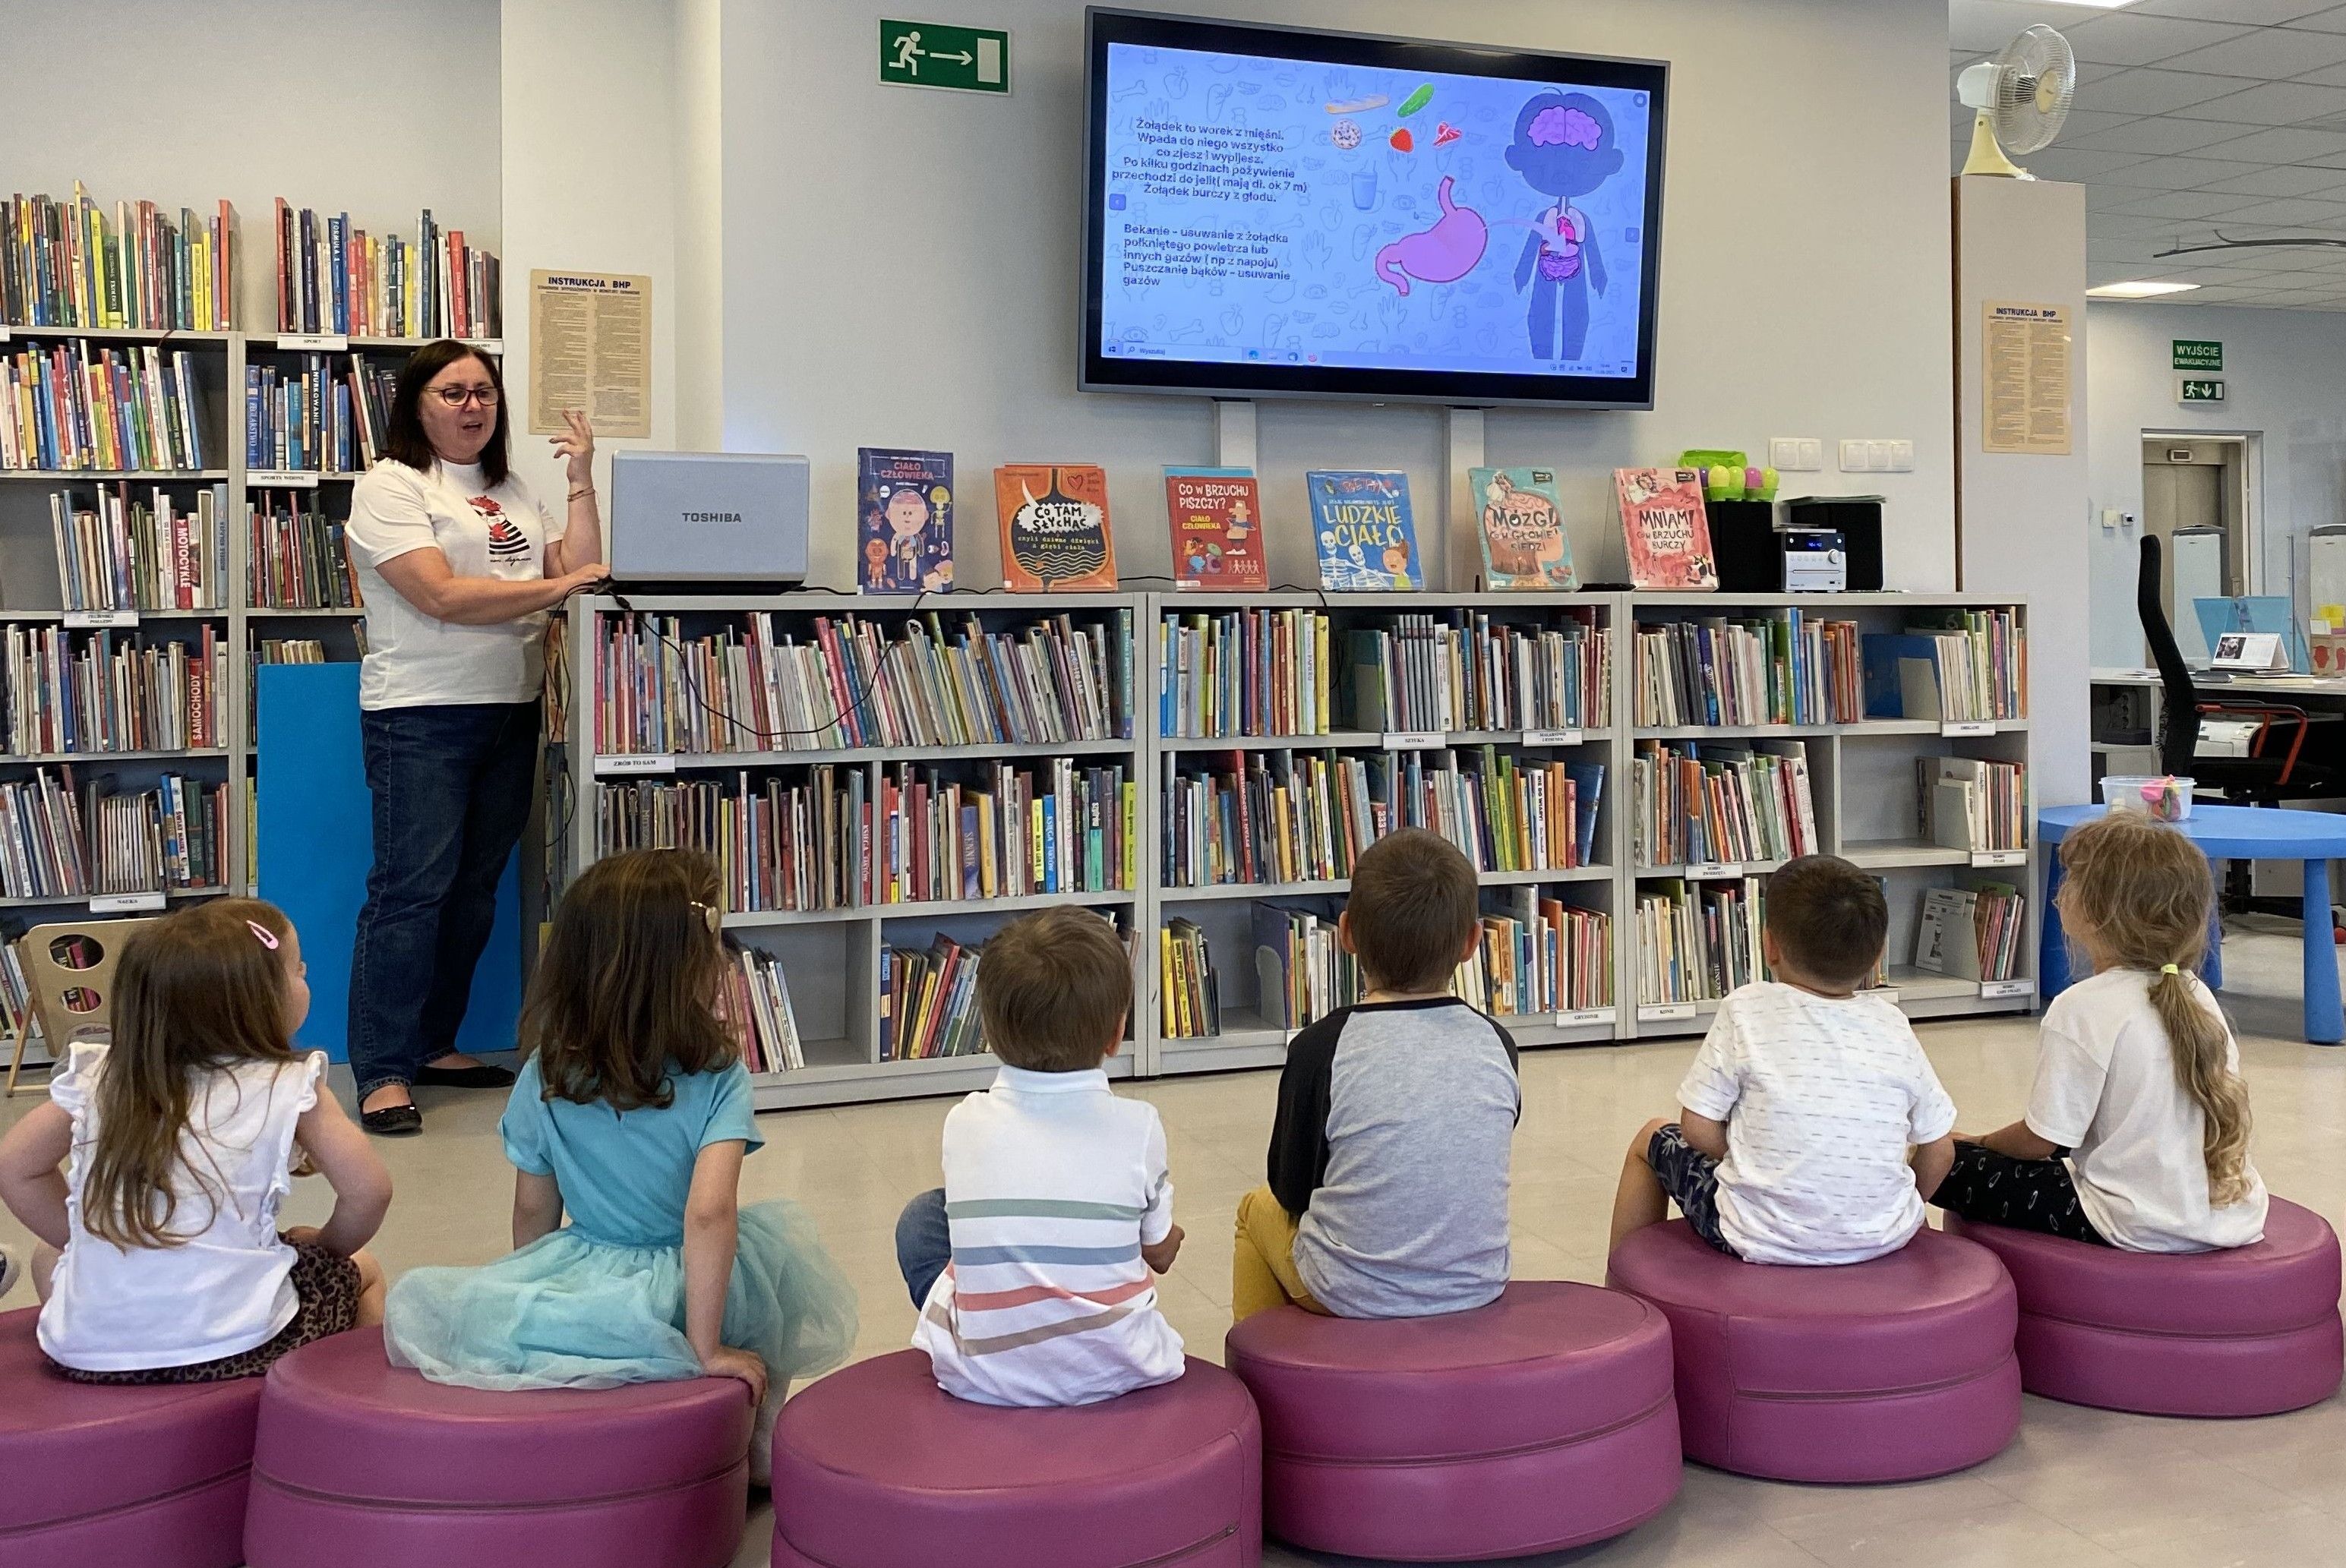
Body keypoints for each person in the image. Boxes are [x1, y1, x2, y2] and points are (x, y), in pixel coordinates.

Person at [383, 850, 855, 1480]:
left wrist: (530, 1288)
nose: (722, 962)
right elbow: (709, 1215)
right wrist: (705, 1346)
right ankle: (756, 1445)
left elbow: (533, 1208)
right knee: (776, 1289)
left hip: (594, 1277)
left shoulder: (546, 1071)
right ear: (682, 969)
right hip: (693, 1282)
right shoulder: (718, 1077)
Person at [343, 340, 610, 1136]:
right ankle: (383, 1069)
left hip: (510, 707)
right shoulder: (391, 485)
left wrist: (580, 480)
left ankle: (434, 1043)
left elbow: (583, 569)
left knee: (473, 892)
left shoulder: (510, 488)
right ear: (417, 404)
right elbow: (441, 595)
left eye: (484, 392)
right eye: (453, 392)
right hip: (420, 713)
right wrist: (558, 584)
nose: (472, 406)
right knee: (410, 892)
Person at [0, 901, 391, 1382]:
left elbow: (15, 1166)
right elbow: (370, 1192)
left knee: (50, 1256)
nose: (306, 974)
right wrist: (329, 1244)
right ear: (258, 1003)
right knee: (365, 1270)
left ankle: (96, 1356)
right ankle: (347, 1401)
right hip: (244, 1344)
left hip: (91, 1361)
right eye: (297, 968)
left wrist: (92, 1241)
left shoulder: (103, 1079)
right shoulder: (289, 1085)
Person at [1932, 815, 2266, 1251]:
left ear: (2097, 911)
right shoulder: (2195, 993)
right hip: (2230, 1217)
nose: (2062, 890)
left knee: (1943, 1160)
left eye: (2072, 879)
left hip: (2133, 1221)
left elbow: (2042, 1141)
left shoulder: (2081, 1006)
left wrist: (1978, 1141)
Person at [896, 907, 1186, 1407]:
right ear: (1116, 1034)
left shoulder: (963, 1120)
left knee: (922, 1220)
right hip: (1120, 1369)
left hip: (985, 1381)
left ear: (990, 1032)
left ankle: (1001, 1339)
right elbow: (1158, 1253)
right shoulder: (1140, 1125)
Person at [1607, 855, 1958, 1264]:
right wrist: (1899, 1208)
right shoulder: (1893, 1023)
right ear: (1879, 954)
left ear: (1769, 945)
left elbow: (1696, 1124)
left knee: (1650, 1138)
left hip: (1755, 1234)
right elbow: (1941, 1150)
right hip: (1884, 1237)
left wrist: (1749, 1157)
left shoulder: (1746, 1008)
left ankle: (1619, 1287)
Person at [1233, 828, 1518, 1322]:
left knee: (1254, 1208)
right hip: (1476, 1284)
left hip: (1351, 1293)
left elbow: (1290, 1188)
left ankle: (1260, 1356)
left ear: (1345, 933)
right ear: (1473, 942)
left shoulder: (1321, 1048)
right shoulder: (1498, 1042)